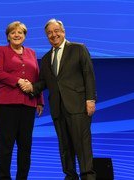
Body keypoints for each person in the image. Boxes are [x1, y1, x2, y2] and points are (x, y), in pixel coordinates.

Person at [20, 19, 97, 180]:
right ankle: (70, 176)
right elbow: (43, 82)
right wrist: (32, 87)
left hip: (77, 106)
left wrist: (90, 99)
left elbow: (88, 74)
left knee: (82, 145)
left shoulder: (78, 49)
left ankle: (87, 176)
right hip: (58, 108)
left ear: (63, 32)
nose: (53, 35)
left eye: (56, 31)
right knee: (64, 146)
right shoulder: (47, 58)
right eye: (49, 33)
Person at [0, 21, 44, 180]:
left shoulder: (32, 53)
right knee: (6, 146)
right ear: (8, 36)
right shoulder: (0, 50)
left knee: (25, 147)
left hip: (28, 104)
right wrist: (18, 81)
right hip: (5, 105)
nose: (16, 35)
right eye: (13, 32)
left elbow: (37, 77)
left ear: (24, 36)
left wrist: (40, 100)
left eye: (20, 32)